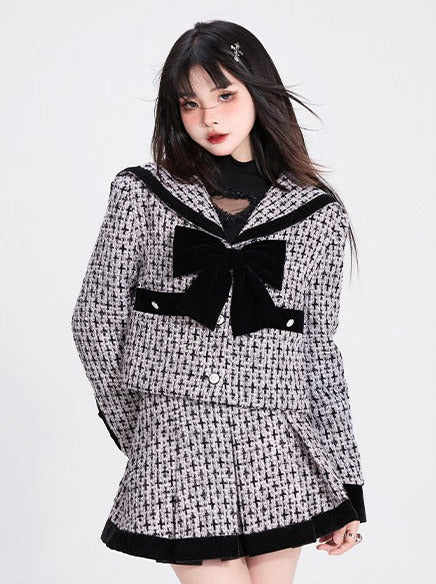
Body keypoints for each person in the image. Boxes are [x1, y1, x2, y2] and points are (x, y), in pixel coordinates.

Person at [71, 19, 367, 584]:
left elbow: (318, 353)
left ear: (258, 91)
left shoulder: (317, 213)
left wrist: (346, 481)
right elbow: (95, 320)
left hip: (278, 443)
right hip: (178, 434)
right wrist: (144, 429)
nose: (209, 118)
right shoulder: (143, 193)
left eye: (225, 95)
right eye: (191, 103)